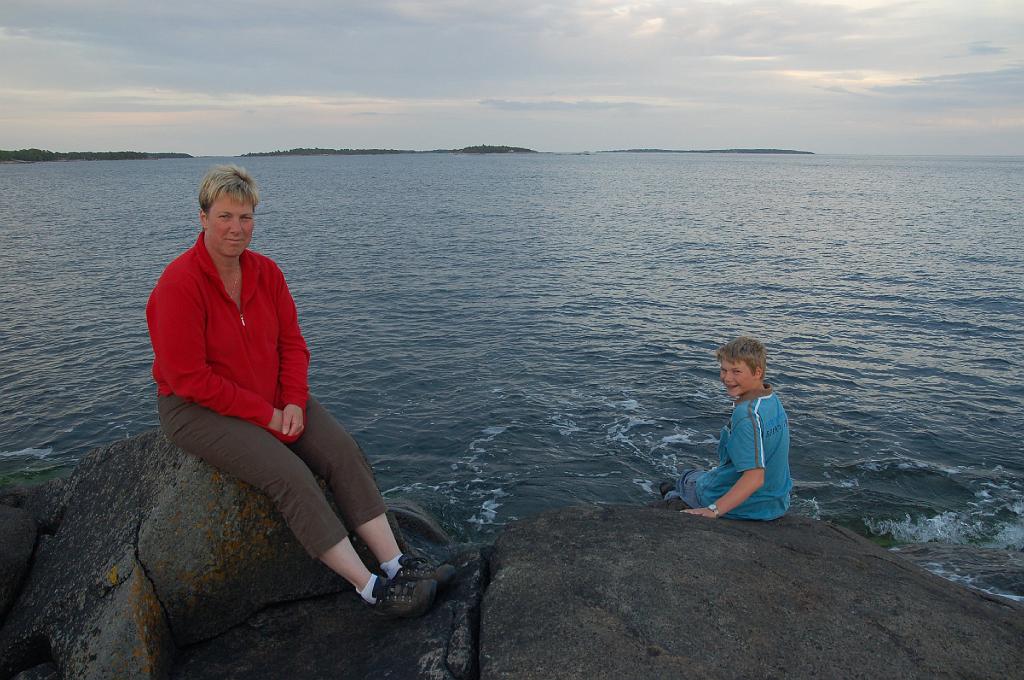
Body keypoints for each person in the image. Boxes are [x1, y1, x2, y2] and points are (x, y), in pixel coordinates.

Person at [146, 165, 453, 618]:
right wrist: (266, 416)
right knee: (289, 475)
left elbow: (292, 343)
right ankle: (369, 587)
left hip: (271, 394)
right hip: (195, 408)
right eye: (226, 216)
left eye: (246, 217)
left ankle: (396, 563)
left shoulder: (266, 273)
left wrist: (291, 399)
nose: (237, 228)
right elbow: (190, 377)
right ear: (203, 217)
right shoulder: (179, 285)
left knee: (342, 452)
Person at [661, 336, 792, 520]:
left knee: (686, 478)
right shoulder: (772, 400)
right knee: (700, 475)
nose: (727, 378)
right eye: (723, 370)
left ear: (757, 372)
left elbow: (755, 478)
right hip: (777, 502)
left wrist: (713, 510)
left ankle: (675, 498)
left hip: (750, 507)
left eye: (736, 371)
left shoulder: (746, 415)